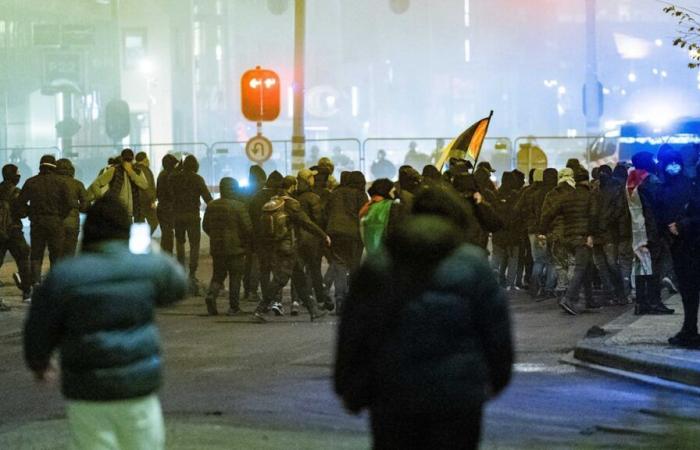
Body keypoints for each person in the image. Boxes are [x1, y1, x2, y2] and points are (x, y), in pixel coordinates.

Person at [335, 185, 513, 450]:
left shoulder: (380, 265)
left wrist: (350, 388)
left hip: (393, 392)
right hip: (457, 396)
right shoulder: (474, 265)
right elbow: (495, 331)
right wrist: (496, 380)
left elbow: (354, 331)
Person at [23, 196, 187, 450]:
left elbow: (39, 325)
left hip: (87, 389)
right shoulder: (144, 267)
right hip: (137, 387)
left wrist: (39, 363)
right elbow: (178, 286)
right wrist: (152, 252)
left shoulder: (65, 274)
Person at [254, 176, 331, 321]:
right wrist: (323, 235)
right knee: (280, 279)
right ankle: (260, 309)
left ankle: (313, 310)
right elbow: (306, 222)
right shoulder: (290, 204)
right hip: (288, 246)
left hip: (278, 245)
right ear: (292, 187)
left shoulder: (273, 201)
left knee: (299, 278)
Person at [656, 150, 700, 346]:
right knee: (688, 290)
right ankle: (689, 328)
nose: (672, 166)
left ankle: (690, 329)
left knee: (690, 290)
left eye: (675, 162)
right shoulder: (667, 187)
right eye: (669, 163)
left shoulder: (692, 186)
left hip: (691, 244)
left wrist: (682, 225)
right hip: (680, 247)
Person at [627, 152, 674, 315]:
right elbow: (661, 206)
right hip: (653, 231)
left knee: (641, 266)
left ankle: (641, 303)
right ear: (648, 162)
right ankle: (655, 301)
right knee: (655, 267)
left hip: (636, 232)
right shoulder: (651, 181)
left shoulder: (630, 181)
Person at [17, 154, 71, 287]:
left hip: (37, 223)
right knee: (56, 254)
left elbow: (20, 202)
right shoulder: (61, 182)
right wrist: (60, 216)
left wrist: (29, 212)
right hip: (55, 222)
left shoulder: (31, 182)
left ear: (40, 165)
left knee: (36, 253)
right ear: (54, 166)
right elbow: (69, 203)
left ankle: (35, 281)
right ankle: (55, 282)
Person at [202, 177, 252, 316]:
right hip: (236, 248)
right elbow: (247, 228)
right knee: (235, 276)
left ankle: (211, 295)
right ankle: (234, 307)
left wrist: (215, 236)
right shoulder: (239, 206)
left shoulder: (212, 205)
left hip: (217, 247)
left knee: (218, 274)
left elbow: (205, 226)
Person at [325, 171, 368, 312]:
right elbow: (366, 213)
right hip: (354, 234)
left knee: (340, 266)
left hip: (335, 233)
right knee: (354, 267)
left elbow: (326, 211)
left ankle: (340, 301)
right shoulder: (359, 194)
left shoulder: (335, 193)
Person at [171, 154, 213, 293]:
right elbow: (207, 197)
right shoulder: (197, 179)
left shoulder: (174, 178)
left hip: (178, 214)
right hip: (193, 215)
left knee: (180, 241)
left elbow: (169, 195)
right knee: (195, 245)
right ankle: (192, 273)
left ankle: (180, 270)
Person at [294, 168, 333, 312]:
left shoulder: (295, 197)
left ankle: (297, 301)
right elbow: (318, 219)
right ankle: (322, 299)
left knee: (298, 270)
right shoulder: (313, 197)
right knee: (315, 270)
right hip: (312, 239)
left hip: (297, 238)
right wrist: (324, 234)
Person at [87, 148, 149, 222]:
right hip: (116, 209)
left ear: (132, 159)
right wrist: (101, 199)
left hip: (131, 211)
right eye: (126, 159)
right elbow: (96, 184)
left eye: (129, 160)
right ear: (122, 159)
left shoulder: (137, 171)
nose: (127, 162)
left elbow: (144, 185)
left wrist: (131, 172)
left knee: (126, 231)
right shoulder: (114, 170)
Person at [0, 164, 31, 303]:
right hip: (14, 230)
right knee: (23, 260)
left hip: (0, 232)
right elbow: (22, 212)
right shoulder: (16, 191)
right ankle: (26, 292)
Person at [55, 159, 89, 257]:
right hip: (72, 223)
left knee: (55, 253)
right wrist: (76, 206)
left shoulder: (52, 183)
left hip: (55, 222)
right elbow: (85, 205)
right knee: (70, 253)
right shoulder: (77, 184)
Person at [359, 178, 395, 257]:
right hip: (386, 251)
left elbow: (360, 217)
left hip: (371, 250)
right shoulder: (390, 205)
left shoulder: (369, 206)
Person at [156, 154, 179, 254]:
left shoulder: (161, 174)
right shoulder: (172, 175)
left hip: (161, 207)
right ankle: (167, 255)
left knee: (165, 233)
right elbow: (172, 192)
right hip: (169, 208)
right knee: (169, 234)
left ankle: (164, 254)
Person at [135, 152, 158, 233]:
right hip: (146, 201)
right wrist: (152, 200)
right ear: (145, 159)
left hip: (136, 202)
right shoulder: (145, 170)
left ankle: (141, 241)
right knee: (154, 222)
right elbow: (147, 186)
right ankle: (146, 238)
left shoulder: (134, 169)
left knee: (139, 224)